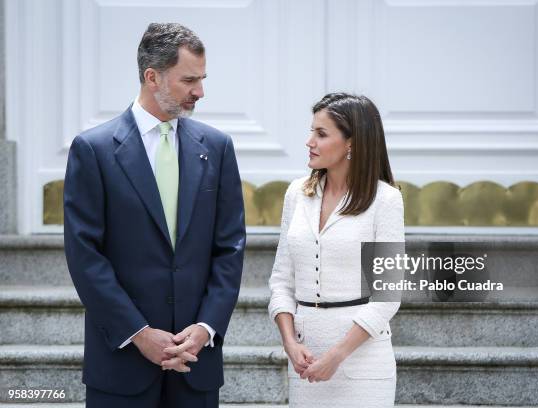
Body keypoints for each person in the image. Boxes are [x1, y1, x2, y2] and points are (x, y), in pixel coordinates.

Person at [63, 23, 245, 408]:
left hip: (195, 363)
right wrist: (139, 333)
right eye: (190, 80)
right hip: (121, 362)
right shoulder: (92, 150)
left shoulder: (217, 147)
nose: (200, 91)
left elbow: (230, 247)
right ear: (152, 77)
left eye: (202, 78)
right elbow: (84, 254)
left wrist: (205, 328)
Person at [268, 93, 405, 407]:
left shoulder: (385, 200)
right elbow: (281, 281)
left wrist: (336, 355)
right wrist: (289, 342)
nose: (309, 141)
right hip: (304, 361)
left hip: (364, 366)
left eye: (321, 133)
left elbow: (387, 296)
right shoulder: (296, 194)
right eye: (311, 131)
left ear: (351, 144)